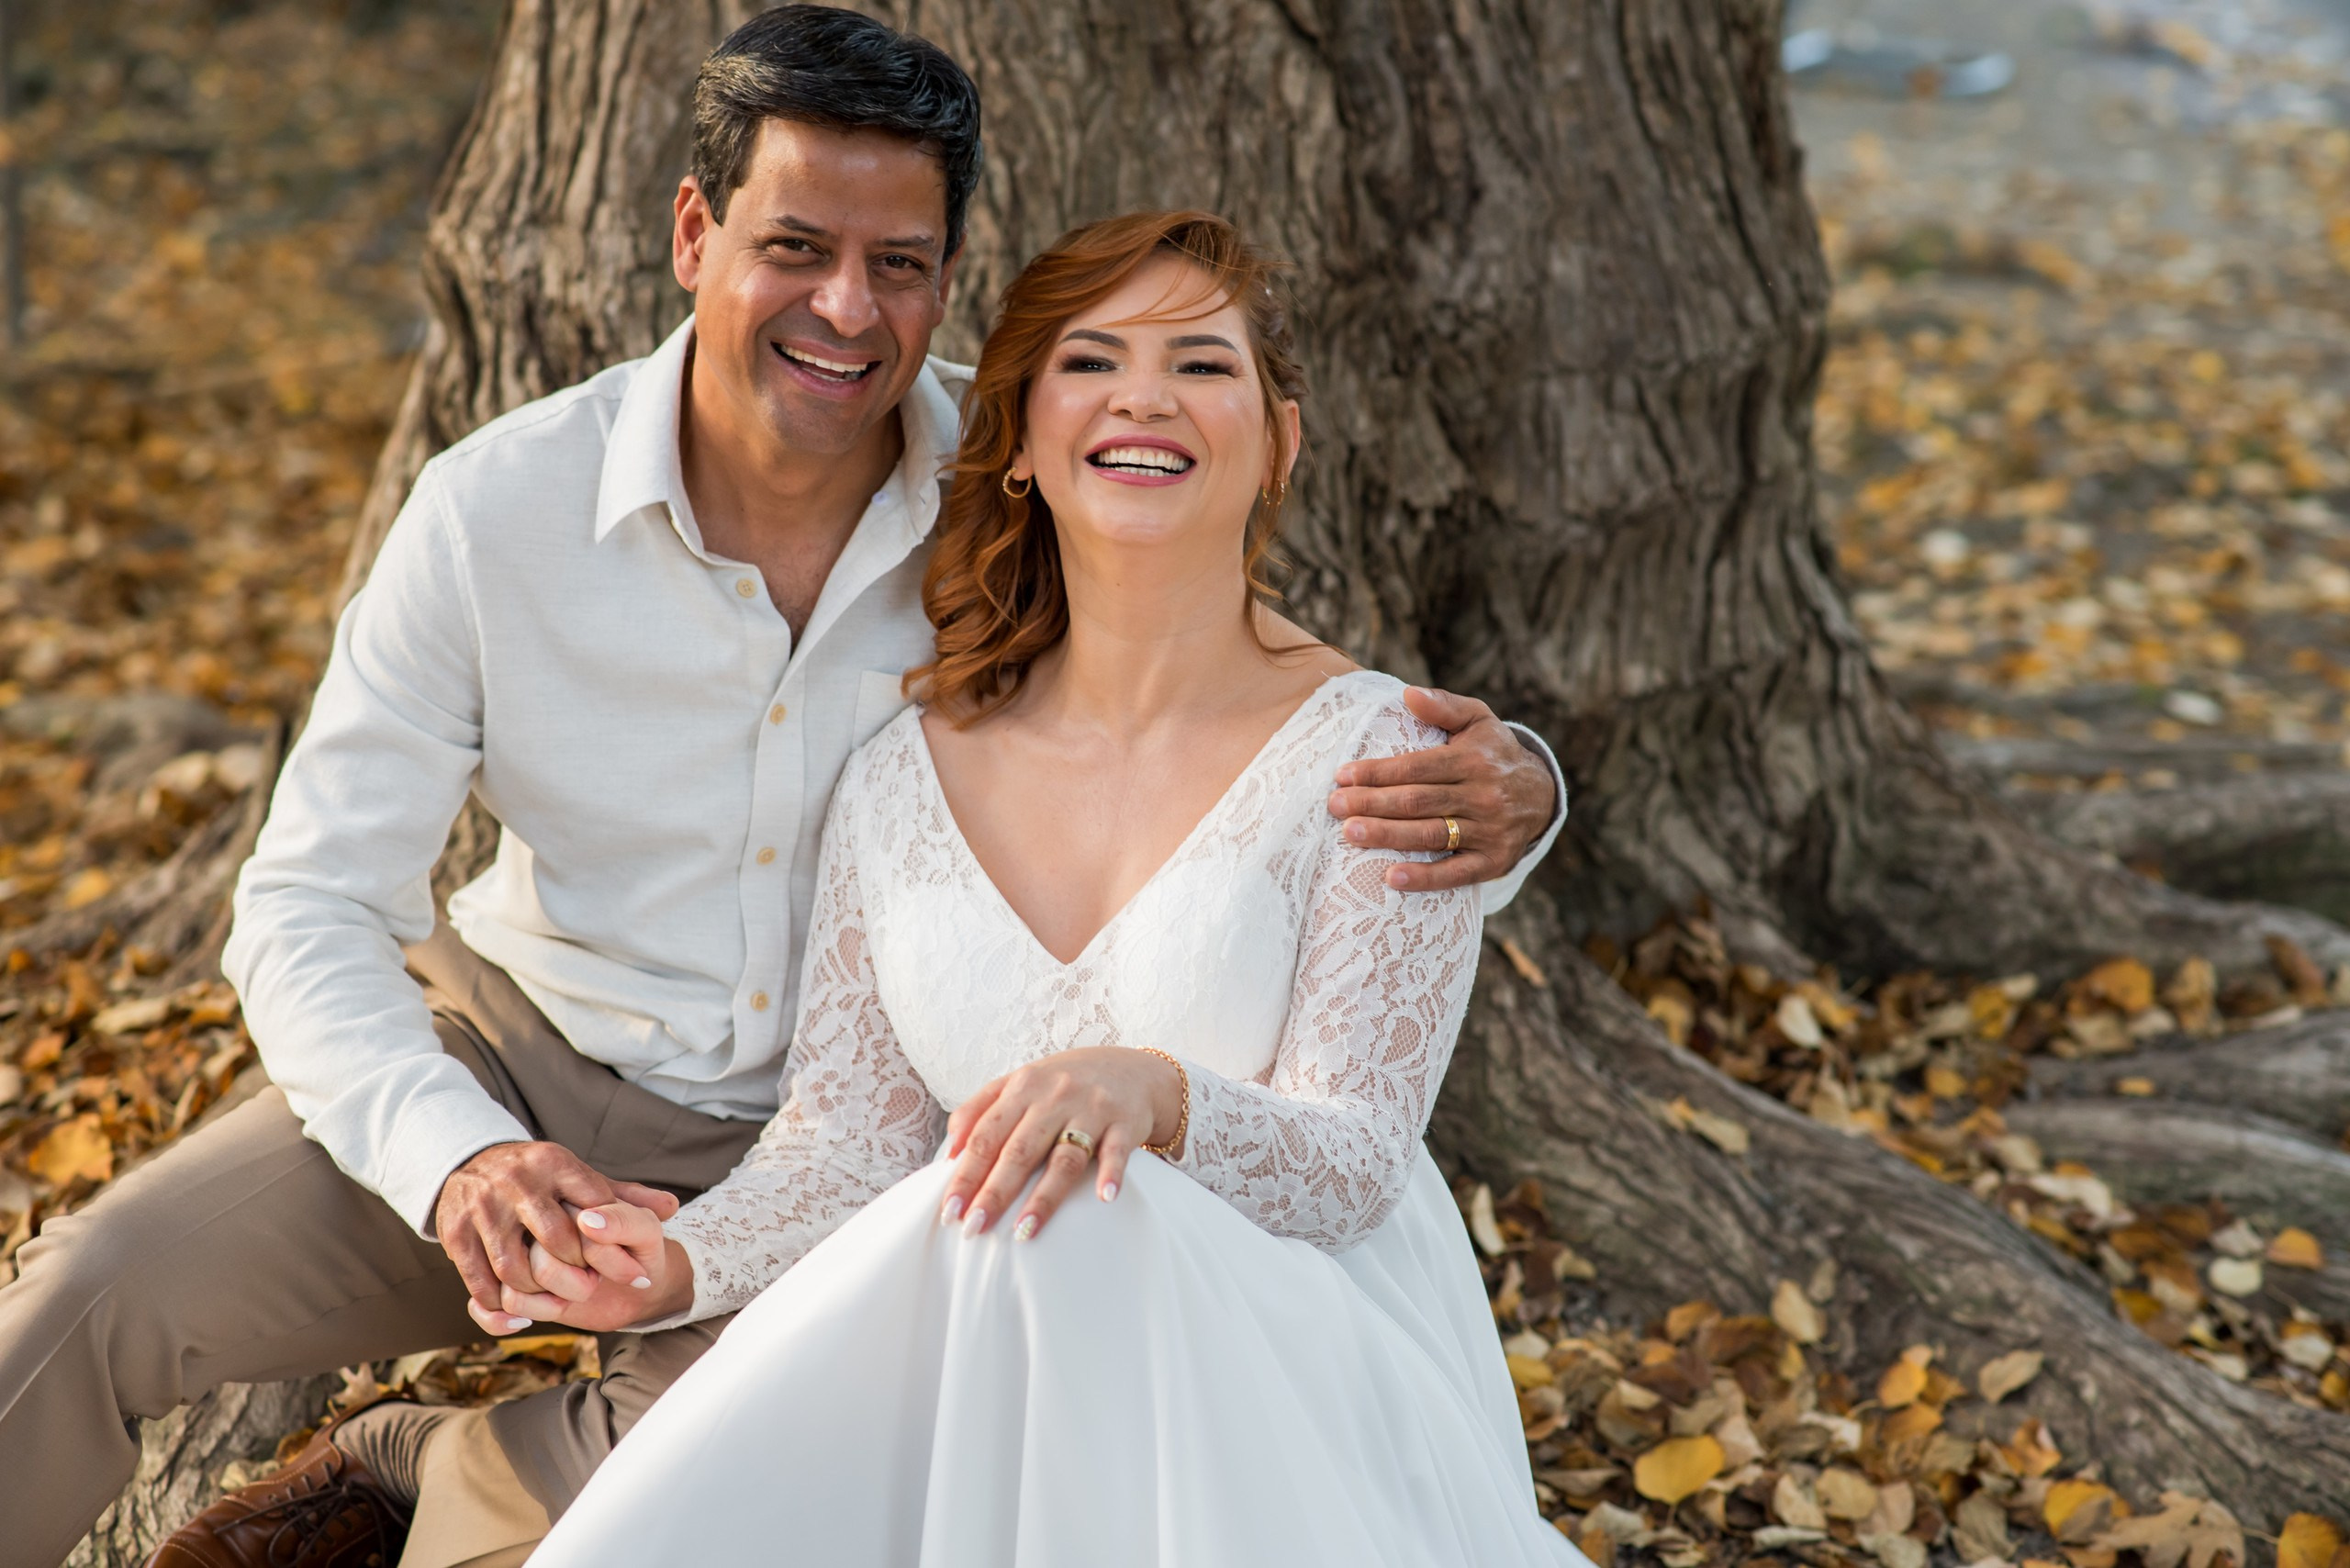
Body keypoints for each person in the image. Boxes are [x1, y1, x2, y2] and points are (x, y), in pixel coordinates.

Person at [0, 10, 1562, 1568]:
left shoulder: (1029, 476)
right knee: (91, 1293)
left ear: (947, 276)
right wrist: (452, 1151)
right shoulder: (502, 513)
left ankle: (423, 1471)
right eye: (795, 245)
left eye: (899, 262)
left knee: (674, 1509)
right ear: (696, 232)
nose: (845, 308)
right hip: (516, 1059)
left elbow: (1252, 703)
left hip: (828, 1167)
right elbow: (308, 899)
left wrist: (1521, 790)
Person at [513, 209, 1583, 1568]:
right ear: (1016, 440)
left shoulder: (1393, 761)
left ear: (1282, 443)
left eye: (1202, 365)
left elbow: (1354, 1170)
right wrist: (672, 1266)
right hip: (981, 1354)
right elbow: (851, 1142)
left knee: (1083, 1206)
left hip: (1284, 1380)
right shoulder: (903, 775)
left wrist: (1156, 1094)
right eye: (1092, 361)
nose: (1145, 396)